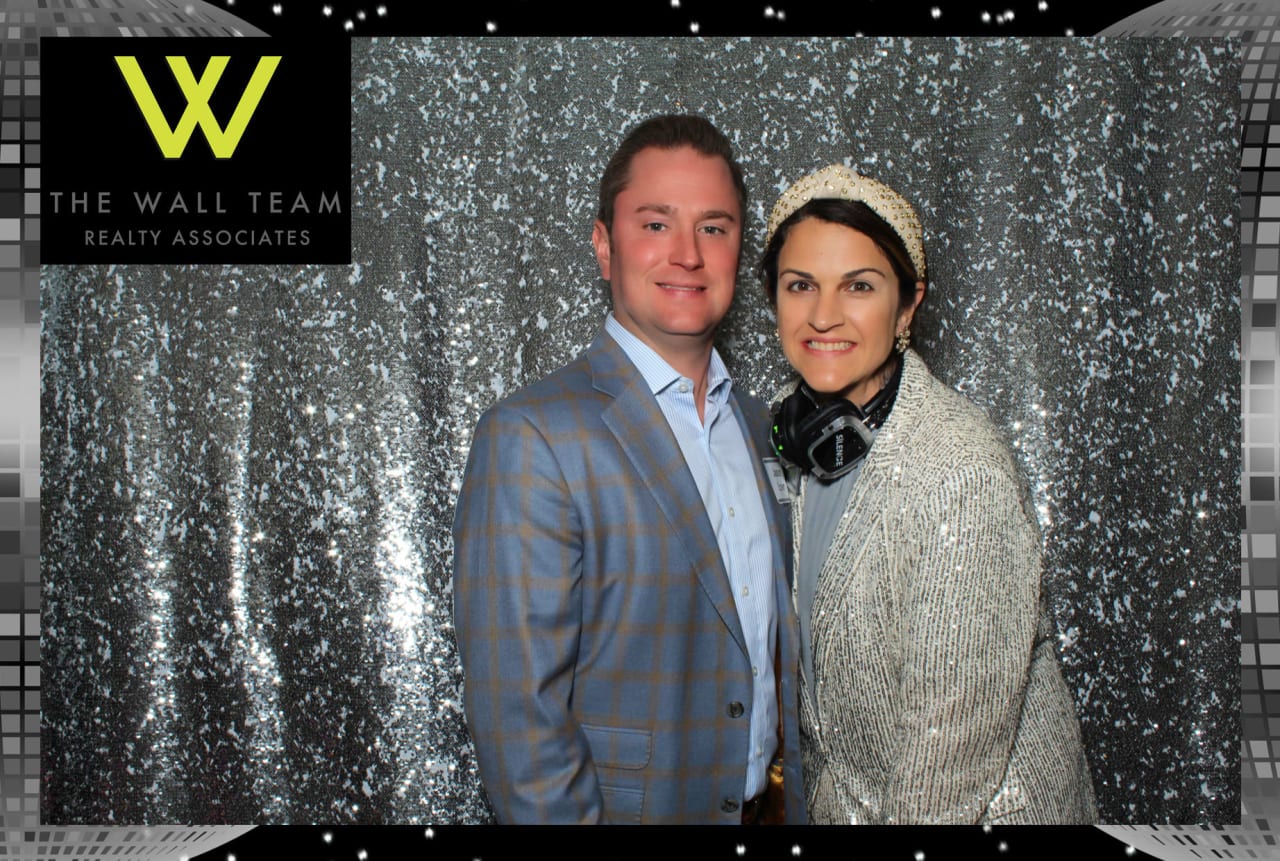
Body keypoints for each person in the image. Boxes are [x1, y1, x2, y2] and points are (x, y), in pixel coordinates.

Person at [452, 115, 804, 824]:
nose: (687, 254)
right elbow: (523, 734)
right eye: (654, 224)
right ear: (604, 246)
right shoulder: (532, 437)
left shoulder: (766, 429)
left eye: (714, 227)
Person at [760, 164, 1097, 824]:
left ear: (908, 305)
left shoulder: (962, 474)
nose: (824, 314)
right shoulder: (781, 427)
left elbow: (945, 775)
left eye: (859, 286)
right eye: (801, 285)